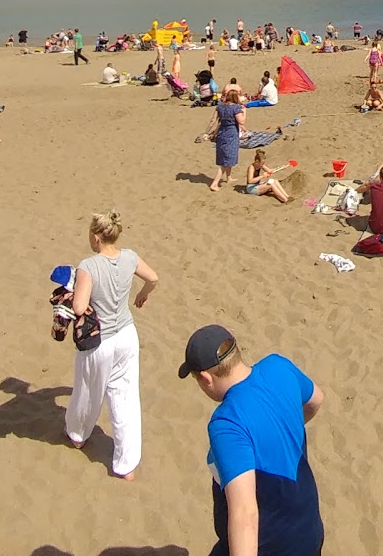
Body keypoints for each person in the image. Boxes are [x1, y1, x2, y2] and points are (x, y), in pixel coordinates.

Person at [179, 324, 325, 556]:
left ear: (206, 379)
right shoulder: (279, 366)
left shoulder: (227, 424)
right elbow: (316, 399)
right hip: (310, 530)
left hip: (273, 545)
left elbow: (245, 514)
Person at [63, 211, 158, 479]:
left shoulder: (88, 266)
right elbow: (153, 278)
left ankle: (78, 434)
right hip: (127, 336)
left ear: (95, 237)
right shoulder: (129, 256)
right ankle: (127, 465)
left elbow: (80, 306)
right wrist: (142, 294)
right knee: (125, 398)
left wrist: (69, 295)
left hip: (99, 340)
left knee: (87, 391)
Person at [207, 87, 245, 191]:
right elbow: (241, 121)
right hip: (231, 134)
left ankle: (229, 177)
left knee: (227, 156)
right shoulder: (236, 108)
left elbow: (213, 120)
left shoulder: (220, 107)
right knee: (226, 160)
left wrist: (206, 132)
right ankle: (214, 183)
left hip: (221, 133)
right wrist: (244, 111)